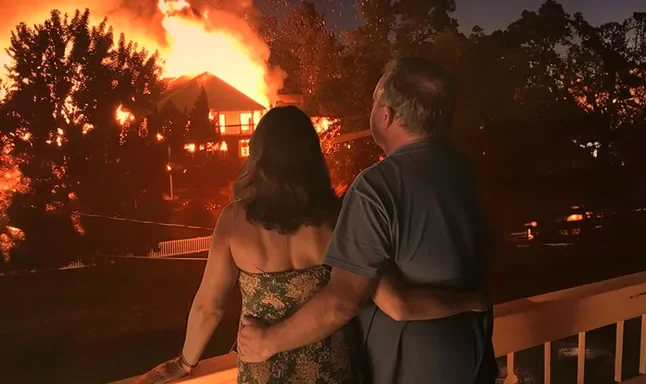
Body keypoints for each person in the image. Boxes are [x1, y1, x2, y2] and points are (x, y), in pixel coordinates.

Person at [135, 105, 487, 384]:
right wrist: (469, 300)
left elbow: (208, 307)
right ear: (312, 155)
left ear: (259, 156)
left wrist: (185, 361)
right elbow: (396, 303)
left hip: (265, 371)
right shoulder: (340, 217)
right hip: (334, 371)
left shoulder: (233, 221)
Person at [237, 58, 498, 383]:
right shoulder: (469, 171)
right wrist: (469, 300)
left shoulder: (376, 187)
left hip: (411, 371)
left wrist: (265, 343)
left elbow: (343, 302)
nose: (371, 108)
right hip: (474, 359)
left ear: (386, 116)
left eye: (375, 101)